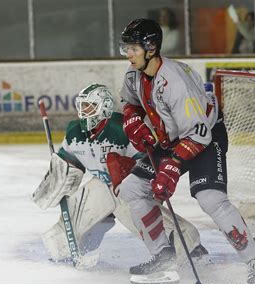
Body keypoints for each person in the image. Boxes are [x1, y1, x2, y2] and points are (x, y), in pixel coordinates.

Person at [117, 18, 255, 284]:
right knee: (132, 188)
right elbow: (129, 102)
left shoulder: (175, 81)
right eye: (126, 48)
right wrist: (132, 120)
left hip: (205, 136)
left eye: (133, 48)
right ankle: (164, 256)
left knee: (210, 198)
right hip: (172, 137)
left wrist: (173, 166)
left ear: (151, 48)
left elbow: (199, 134)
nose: (128, 55)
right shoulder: (134, 76)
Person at [32, 83, 208, 272]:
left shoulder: (122, 129)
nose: (83, 111)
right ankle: (67, 248)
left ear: (104, 106)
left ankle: (189, 247)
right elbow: (68, 165)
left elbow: (147, 164)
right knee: (82, 205)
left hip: (126, 189)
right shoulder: (75, 132)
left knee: (132, 205)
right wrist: (57, 179)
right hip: (102, 187)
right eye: (81, 106)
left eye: (89, 106)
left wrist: (129, 173)